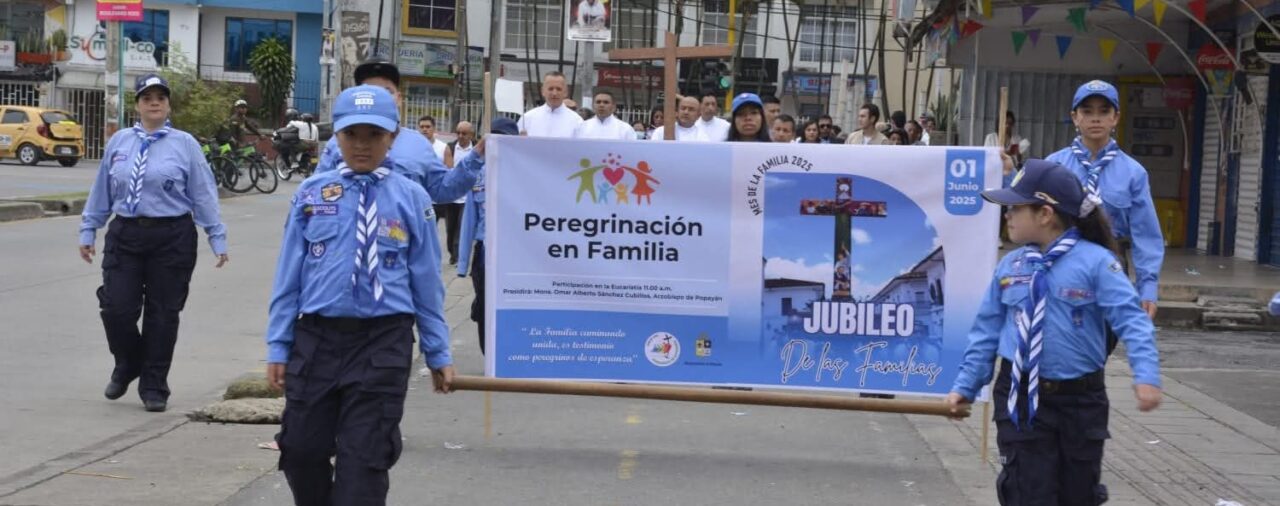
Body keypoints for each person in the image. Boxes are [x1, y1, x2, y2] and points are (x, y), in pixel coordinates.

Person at [266, 85, 455, 505]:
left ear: (393, 135)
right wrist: (278, 345)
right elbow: (288, 278)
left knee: (362, 466)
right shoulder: (312, 194)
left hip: (381, 343)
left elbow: (427, 284)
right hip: (316, 340)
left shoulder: (412, 199)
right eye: (352, 135)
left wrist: (439, 352)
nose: (362, 145)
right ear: (337, 137)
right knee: (299, 450)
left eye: (374, 135)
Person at [946, 159, 1161, 506]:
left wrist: (1146, 376)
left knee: (1078, 495)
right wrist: (965, 386)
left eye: (1015, 208)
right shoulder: (1010, 266)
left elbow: (1131, 321)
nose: (1007, 216)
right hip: (1019, 397)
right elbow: (985, 332)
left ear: (1045, 214)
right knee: (1028, 492)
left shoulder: (1097, 263)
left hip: (1080, 401)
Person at [79, 74, 230, 413]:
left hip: (172, 236)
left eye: (161, 96)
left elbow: (203, 193)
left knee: (163, 314)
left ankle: (154, 385)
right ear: (138, 105)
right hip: (126, 233)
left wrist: (216, 236)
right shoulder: (119, 142)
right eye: (148, 96)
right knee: (116, 307)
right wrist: (89, 228)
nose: (155, 102)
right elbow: (102, 188)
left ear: (168, 104)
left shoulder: (185, 143)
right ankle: (128, 361)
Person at [1047, 79, 1163, 324]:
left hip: (1112, 261)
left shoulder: (1134, 172)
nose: (1095, 119)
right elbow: (1028, 206)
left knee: (1104, 336)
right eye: (1087, 112)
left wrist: (1148, 287)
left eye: (1104, 111)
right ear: (1075, 117)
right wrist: (1004, 173)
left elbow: (1146, 234)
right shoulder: (1054, 165)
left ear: (1116, 118)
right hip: (1062, 258)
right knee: (1062, 332)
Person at [315, 60, 477, 204]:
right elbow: (318, 191)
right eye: (371, 90)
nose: (378, 98)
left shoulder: (419, 145)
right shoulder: (337, 142)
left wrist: (476, 158)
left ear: (399, 98)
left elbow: (443, 190)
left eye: (386, 92)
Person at [457, 117, 518, 355]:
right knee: (484, 305)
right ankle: (490, 355)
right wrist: (462, 263)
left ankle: (511, 353)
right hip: (484, 252)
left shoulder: (526, 174)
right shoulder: (479, 175)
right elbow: (469, 220)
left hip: (514, 253)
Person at [420, 115, 463, 265]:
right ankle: (423, 257)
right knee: (422, 230)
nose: (425, 129)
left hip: (436, 198)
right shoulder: (414, 147)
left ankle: (438, 257)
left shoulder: (442, 147)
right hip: (419, 198)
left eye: (428, 127)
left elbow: (449, 170)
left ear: (434, 128)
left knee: (437, 230)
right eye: (422, 127)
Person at [518, 71, 583, 137]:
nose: (554, 93)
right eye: (550, 89)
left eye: (559, 89)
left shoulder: (577, 122)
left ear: (565, 92)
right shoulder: (527, 118)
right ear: (543, 91)